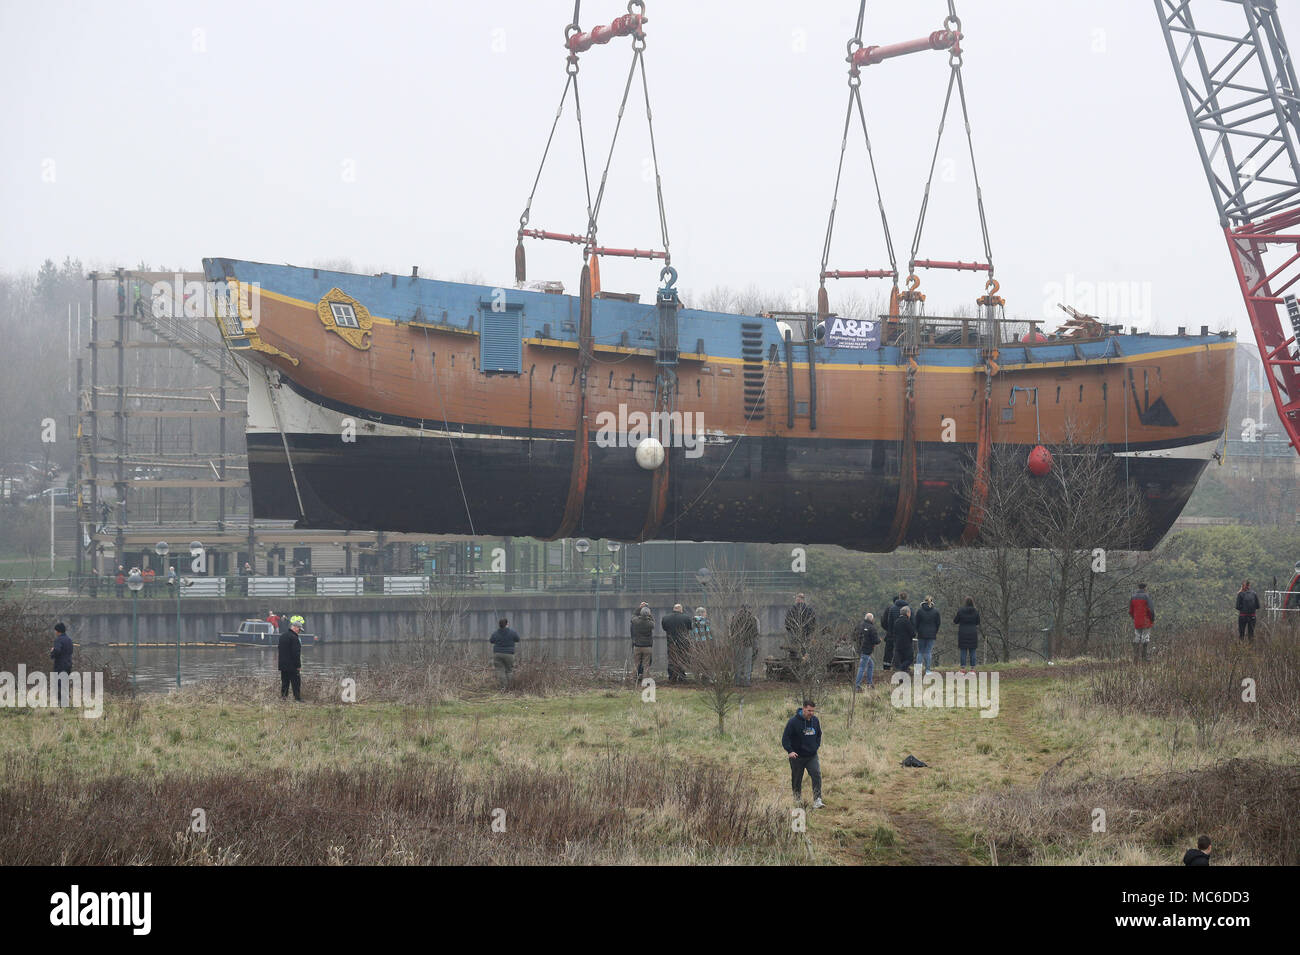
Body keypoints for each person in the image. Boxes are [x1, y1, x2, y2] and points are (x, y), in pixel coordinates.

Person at [782, 700, 823, 808]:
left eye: (813, 711)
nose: (811, 713)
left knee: (816, 774)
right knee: (797, 779)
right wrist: (790, 751)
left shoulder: (815, 720)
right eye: (809, 710)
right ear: (803, 709)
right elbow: (785, 738)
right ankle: (797, 799)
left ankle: (817, 800)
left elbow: (819, 734)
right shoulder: (793, 722)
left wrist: (816, 746)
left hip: (811, 756)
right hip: (797, 757)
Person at [661, 603, 693, 683]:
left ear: (674, 609)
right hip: (683, 643)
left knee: (672, 659)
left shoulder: (665, 618)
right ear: (681, 609)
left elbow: (664, 628)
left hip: (671, 642)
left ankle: (672, 677)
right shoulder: (686, 618)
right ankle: (682, 676)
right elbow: (689, 628)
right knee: (682, 659)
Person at [730, 604, 760, 687]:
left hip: (737, 643)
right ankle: (746, 680)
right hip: (748, 643)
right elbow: (755, 632)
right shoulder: (752, 618)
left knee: (737, 662)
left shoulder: (735, 618)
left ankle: (737, 680)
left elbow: (732, 630)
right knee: (747, 662)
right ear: (748, 609)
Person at [278, 616, 304, 701]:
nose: (299, 631)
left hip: (283, 664)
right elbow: (296, 653)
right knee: (296, 682)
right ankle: (297, 698)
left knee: (285, 682)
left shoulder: (282, 636)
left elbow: (279, 649)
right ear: (295, 627)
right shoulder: (295, 638)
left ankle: (283, 697)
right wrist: (298, 666)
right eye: (299, 629)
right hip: (292, 665)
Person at [490, 617, 520, 689]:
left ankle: (503, 687)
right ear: (507, 624)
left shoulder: (495, 633)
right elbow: (517, 639)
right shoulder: (512, 632)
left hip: (497, 654)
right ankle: (510, 687)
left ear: (499, 625)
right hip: (509, 654)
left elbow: (491, 641)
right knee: (509, 671)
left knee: (500, 671)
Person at [1129, 583, 1155, 663]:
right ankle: (1144, 658)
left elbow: (1130, 611)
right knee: (1145, 638)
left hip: (1137, 621)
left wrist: (1134, 618)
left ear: (1138, 588)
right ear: (1145, 588)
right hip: (1146, 620)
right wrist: (1152, 619)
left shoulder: (1133, 597)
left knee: (1137, 637)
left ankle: (1135, 657)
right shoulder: (1147, 596)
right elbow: (1151, 610)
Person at [853, 612, 879, 690]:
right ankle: (857, 686)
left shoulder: (858, 626)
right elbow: (876, 640)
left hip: (859, 649)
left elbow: (853, 637)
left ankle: (869, 683)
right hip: (866, 651)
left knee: (871, 664)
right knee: (862, 667)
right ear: (872, 619)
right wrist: (879, 641)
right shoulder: (872, 628)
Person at [914, 596, 941, 672]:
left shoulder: (919, 611)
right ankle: (928, 670)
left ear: (923, 602)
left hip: (921, 634)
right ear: (932, 602)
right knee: (928, 652)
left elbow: (916, 623)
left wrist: (917, 631)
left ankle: (918, 671)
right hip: (931, 634)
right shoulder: (936, 612)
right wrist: (935, 631)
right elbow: (938, 623)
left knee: (920, 652)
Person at [50, 622, 73, 707]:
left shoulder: (58, 640)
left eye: (55, 631)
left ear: (58, 631)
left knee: (58, 684)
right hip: (68, 665)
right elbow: (70, 651)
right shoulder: (69, 640)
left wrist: (52, 651)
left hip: (60, 666)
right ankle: (66, 702)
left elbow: (57, 651)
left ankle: (60, 704)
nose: (55, 632)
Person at [954, 597, 980, 671]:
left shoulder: (960, 611)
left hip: (963, 633)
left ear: (965, 603)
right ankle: (972, 668)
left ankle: (963, 668)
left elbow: (955, 621)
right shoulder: (975, 611)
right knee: (972, 651)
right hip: (973, 633)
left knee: (963, 651)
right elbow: (978, 622)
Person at [630, 607, 654, 683]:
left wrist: (639, 608)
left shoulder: (636, 621)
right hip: (647, 646)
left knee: (636, 664)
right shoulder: (650, 624)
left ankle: (633, 679)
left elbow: (633, 616)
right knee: (646, 665)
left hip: (637, 646)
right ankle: (645, 680)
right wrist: (650, 614)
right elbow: (653, 621)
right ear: (648, 614)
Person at [892, 605, 917, 671]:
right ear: (907, 613)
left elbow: (894, 633)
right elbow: (913, 633)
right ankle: (901, 669)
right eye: (910, 613)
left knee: (902, 659)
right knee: (910, 659)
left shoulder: (897, 621)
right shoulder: (907, 621)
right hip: (906, 643)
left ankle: (903, 671)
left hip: (898, 643)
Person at [881, 594, 900, 671]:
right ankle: (897, 666)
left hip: (890, 634)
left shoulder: (889, 609)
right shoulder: (905, 609)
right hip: (900, 635)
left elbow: (883, 622)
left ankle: (886, 668)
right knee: (898, 650)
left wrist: (888, 629)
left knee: (888, 651)